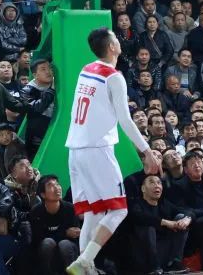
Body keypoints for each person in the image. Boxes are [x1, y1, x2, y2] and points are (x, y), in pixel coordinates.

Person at [64, 28, 161, 275]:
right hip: (97, 149)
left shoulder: (86, 69)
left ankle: (86, 269)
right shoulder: (113, 77)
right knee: (118, 210)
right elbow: (125, 120)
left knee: (93, 212)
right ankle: (85, 260)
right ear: (112, 47)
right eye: (116, 39)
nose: (119, 41)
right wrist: (147, 151)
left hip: (75, 149)